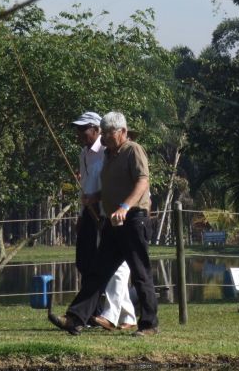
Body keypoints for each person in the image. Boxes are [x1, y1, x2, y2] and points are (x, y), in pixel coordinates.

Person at [50, 111, 158, 337]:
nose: (105, 137)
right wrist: (95, 197)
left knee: (140, 272)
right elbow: (111, 187)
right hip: (113, 222)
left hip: (133, 219)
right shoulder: (109, 155)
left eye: (110, 133)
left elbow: (142, 182)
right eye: (104, 133)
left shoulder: (133, 150)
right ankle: (75, 318)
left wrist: (124, 207)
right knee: (98, 272)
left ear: (123, 132)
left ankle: (149, 325)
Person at [71, 111, 136, 331]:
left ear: (96, 129)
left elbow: (119, 184)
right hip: (90, 213)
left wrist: (114, 210)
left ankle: (108, 314)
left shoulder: (109, 151)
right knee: (87, 263)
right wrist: (82, 214)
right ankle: (126, 316)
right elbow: (86, 187)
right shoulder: (84, 154)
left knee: (115, 265)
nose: (80, 133)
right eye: (78, 129)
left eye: (84, 129)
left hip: (108, 213)